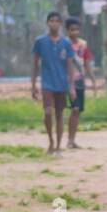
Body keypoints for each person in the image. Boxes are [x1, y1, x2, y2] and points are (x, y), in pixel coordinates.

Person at [31, 11, 77, 154]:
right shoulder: (40, 41)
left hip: (61, 83)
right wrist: (33, 84)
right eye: (51, 20)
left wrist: (72, 86)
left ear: (60, 24)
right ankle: (50, 140)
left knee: (59, 114)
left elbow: (70, 66)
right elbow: (35, 64)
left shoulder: (66, 43)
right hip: (47, 83)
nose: (54, 23)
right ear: (47, 23)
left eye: (57, 21)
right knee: (48, 112)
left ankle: (58, 145)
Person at [65, 18, 95, 149]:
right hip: (66, 81)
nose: (75, 32)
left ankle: (72, 139)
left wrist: (92, 79)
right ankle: (68, 139)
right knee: (74, 108)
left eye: (76, 29)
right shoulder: (64, 44)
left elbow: (87, 63)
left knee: (77, 111)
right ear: (67, 30)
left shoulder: (83, 45)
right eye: (72, 29)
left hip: (80, 80)